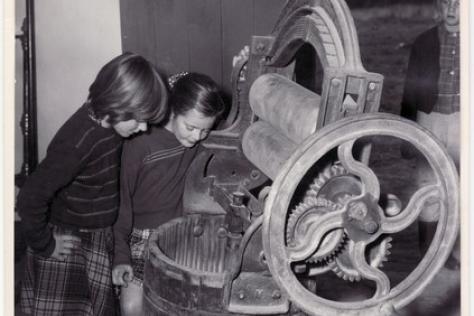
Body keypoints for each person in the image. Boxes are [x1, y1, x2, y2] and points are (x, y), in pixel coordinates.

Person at [17, 52, 168, 315]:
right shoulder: (78, 142)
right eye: (139, 119)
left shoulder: (112, 122)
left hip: (97, 233)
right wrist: (45, 244)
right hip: (69, 238)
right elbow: (30, 197)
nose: (144, 128)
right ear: (116, 104)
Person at [112, 72, 226, 315]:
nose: (197, 137)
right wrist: (121, 256)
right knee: (132, 306)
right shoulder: (140, 143)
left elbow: (233, 127)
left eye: (205, 130)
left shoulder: (197, 139)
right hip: (140, 237)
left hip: (181, 231)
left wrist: (242, 74)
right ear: (173, 110)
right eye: (191, 127)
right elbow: (121, 206)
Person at [400, 0, 459, 268]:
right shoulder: (424, 42)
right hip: (429, 120)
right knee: (428, 185)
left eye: (460, 5)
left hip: (464, 123)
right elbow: (410, 91)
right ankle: (428, 253)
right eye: (447, 3)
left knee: (460, 188)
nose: (452, 11)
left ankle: (453, 252)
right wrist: (407, 132)